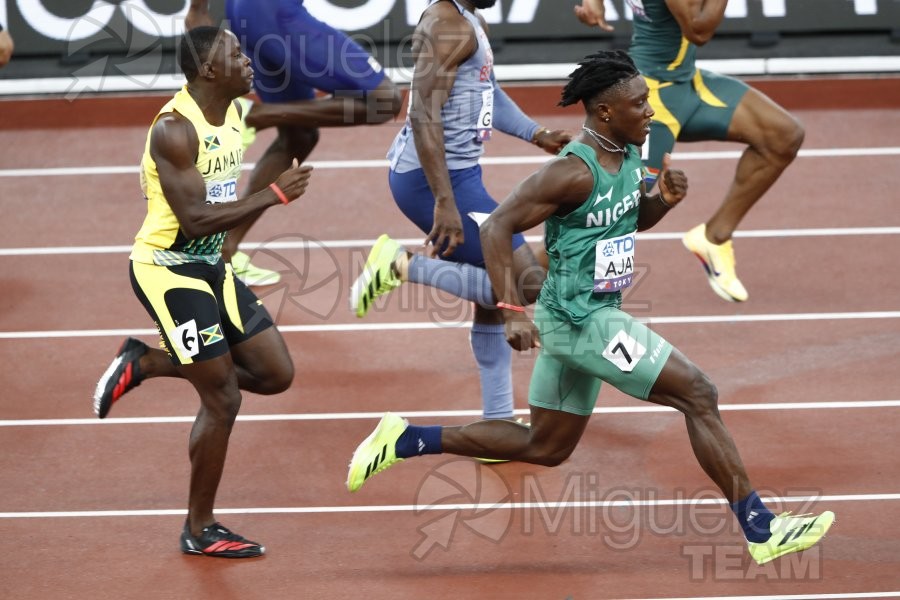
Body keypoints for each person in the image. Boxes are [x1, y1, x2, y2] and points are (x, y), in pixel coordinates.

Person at [345, 50, 833, 566]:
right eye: (639, 104)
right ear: (605, 112)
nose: (651, 112)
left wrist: (662, 201)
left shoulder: (630, 153)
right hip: (584, 322)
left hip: (583, 315)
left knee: (544, 447)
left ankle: (406, 439)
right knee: (698, 393)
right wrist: (510, 309)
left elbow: (628, 219)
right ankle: (762, 528)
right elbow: (495, 227)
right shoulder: (570, 172)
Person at [92, 26, 313, 558]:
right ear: (210, 69)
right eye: (236, 53)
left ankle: (147, 361)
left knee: (275, 374)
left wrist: (365, 105)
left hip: (212, 266)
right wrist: (272, 194)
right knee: (222, 397)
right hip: (168, 271)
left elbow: (294, 125)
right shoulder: (174, 130)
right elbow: (192, 221)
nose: (247, 59)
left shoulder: (235, 111)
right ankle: (200, 526)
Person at [348, 0, 570, 423]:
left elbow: (489, 92)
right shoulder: (447, 26)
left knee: (493, 290)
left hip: (462, 175)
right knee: (524, 283)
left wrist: (536, 133)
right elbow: (422, 114)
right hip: (430, 181)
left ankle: (497, 418)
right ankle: (400, 265)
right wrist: (444, 200)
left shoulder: (471, 20)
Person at [575, 0, 804, 302]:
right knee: (609, 209)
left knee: (783, 135)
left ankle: (714, 238)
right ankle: (525, 283)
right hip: (652, 97)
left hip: (687, 84)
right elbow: (698, 30)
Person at [186, 0, 402, 286]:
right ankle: (254, 116)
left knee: (299, 136)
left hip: (244, 13)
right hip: (275, 14)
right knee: (385, 99)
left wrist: (198, 12)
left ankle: (225, 248)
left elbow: (197, 12)